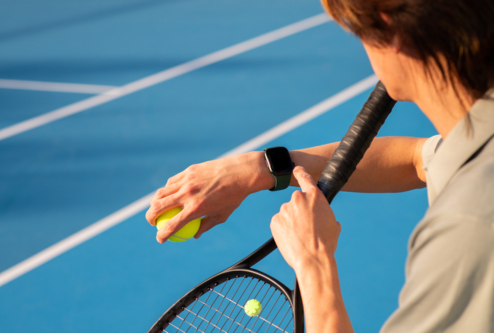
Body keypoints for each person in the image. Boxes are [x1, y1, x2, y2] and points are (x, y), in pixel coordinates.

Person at [146, 0, 494, 331]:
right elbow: (418, 159)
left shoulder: (467, 227)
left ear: (392, 35)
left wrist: (314, 265)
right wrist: (263, 168)